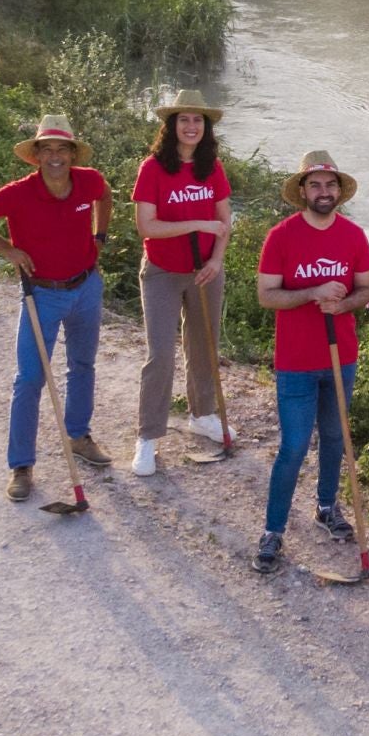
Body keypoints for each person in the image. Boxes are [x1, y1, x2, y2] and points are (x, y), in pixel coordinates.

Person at [0, 114, 115, 503]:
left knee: (83, 364)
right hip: (40, 293)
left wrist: (100, 234)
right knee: (29, 378)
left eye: (63, 149)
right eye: (48, 149)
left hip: (86, 286)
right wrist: (7, 250)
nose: (55, 156)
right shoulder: (18, 193)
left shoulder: (89, 180)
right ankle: (21, 465)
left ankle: (78, 436)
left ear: (73, 154)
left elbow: (105, 195)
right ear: (37, 155)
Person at [252, 151, 369, 574]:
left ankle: (326, 507)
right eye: (315, 185)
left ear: (339, 191)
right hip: (295, 361)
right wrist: (311, 293)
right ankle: (273, 531)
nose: (324, 192)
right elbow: (266, 296)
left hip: (341, 356)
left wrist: (342, 306)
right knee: (293, 446)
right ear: (302, 191)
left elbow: (366, 289)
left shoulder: (354, 236)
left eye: (330, 185)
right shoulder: (281, 237)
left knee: (335, 438)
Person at [130, 89, 233, 476]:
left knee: (205, 345)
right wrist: (196, 223)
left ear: (205, 128)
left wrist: (216, 259)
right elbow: (147, 226)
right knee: (160, 354)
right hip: (162, 272)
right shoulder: (153, 169)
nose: (191, 126)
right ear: (171, 126)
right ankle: (148, 436)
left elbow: (225, 220)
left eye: (198, 120)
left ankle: (202, 413)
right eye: (184, 119)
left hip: (206, 270)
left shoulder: (213, 167)